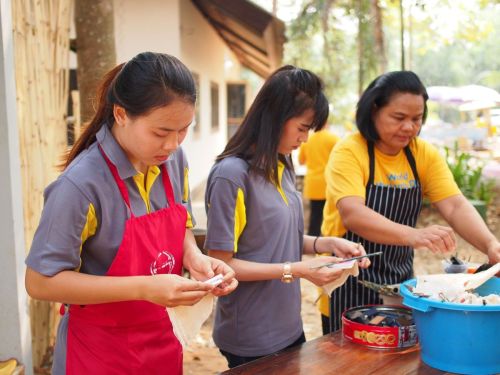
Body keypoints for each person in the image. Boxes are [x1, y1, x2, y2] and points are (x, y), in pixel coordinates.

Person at [24, 52, 237, 375]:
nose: (172, 144)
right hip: (99, 353)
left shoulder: (172, 162)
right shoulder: (80, 185)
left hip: (162, 340)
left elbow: (179, 222)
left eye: (183, 130)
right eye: (161, 132)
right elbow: (41, 281)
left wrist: (194, 257)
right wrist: (144, 288)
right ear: (121, 114)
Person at [203, 65, 371, 369]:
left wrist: (327, 243)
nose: (305, 138)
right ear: (276, 116)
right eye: (302, 128)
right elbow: (222, 265)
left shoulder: (282, 165)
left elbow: (274, 239)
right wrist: (299, 270)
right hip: (251, 333)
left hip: (288, 325)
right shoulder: (232, 175)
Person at [320, 70, 500, 333]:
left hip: (399, 283)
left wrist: (490, 244)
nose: (409, 127)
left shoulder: (422, 154)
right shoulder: (350, 151)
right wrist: (415, 235)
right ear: (373, 110)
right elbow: (353, 214)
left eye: (417, 119)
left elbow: (455, 205)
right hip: (347, 282)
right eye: (399, 118)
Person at [298, 127, 340, 236]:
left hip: (313, 184)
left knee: (315, 216)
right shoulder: (333, 139)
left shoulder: (308, 140)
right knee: (330, 216)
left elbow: (301, 161)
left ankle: (313, 244)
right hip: (329, 183)